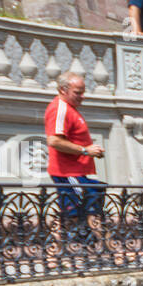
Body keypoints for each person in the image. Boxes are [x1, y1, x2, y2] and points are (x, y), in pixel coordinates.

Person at [45, 73, 106, 246]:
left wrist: (88, 151)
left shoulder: (68, 108)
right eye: (78, 92)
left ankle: (52, 254)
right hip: (69, 171)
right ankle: (111, 250)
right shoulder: (60, 108)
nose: (82, 96)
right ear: (63, 90)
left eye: (83, 92)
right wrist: (85, 150)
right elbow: (54, 140)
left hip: (75, 171)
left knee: (71, 213)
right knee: (91, 208)